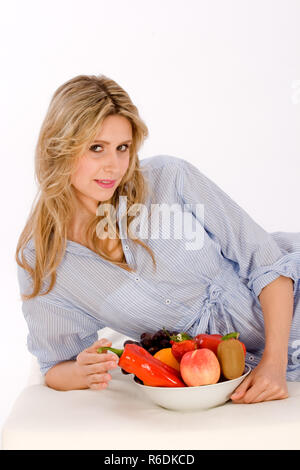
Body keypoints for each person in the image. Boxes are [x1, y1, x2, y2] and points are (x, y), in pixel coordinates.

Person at [16, 74, 300, 403]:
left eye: (123, 148)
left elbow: (267, 263)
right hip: (219, 374)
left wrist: (273, 363)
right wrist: (81, 371)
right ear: (59, 148)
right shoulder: (43, 262)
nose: (114, 165)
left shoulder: (169, 179)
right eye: (97, 148)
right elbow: (55, 364)